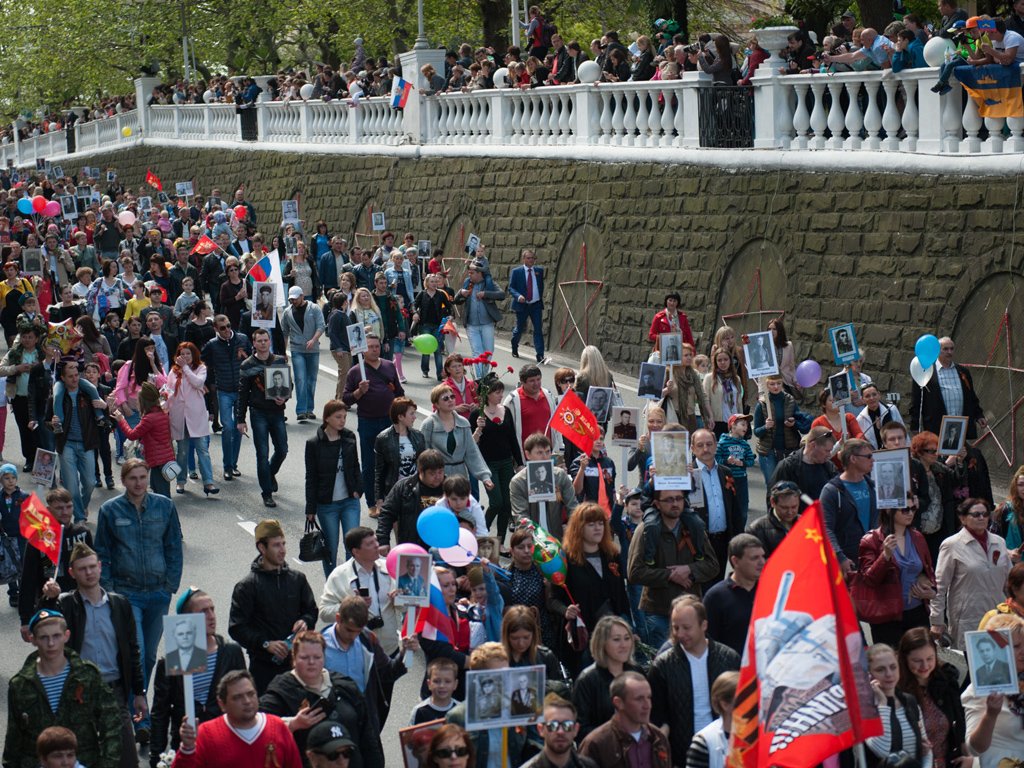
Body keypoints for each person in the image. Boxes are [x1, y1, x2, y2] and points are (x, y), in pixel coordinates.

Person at [94, 458, 184, 737]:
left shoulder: (164, 506)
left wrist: (170, 584)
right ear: (124, 480)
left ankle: (139, 702)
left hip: (158, 593)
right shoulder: (110, 510)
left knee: (149, 657)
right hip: (126, 595)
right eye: (133, 478)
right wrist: (111, 592)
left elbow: (174, 546)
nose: (139, 483)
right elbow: (103, 554)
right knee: (137, 653)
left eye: (143, 477)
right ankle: (141, 719)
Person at [51, 542, 144, 768]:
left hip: (114, 690)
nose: (89, 572)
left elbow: (132, 650)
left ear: (100, 567)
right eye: (82, 569)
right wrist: (47, 598)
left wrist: (139, 692)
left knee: (127, 758)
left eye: (92, 566)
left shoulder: (119, 604)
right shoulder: (65, 604)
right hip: (80, 692)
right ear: (72, 573)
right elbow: (46, 632)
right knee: (85, 756)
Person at [4, 609, 124, 768]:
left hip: (84, 761)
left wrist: (107, 763)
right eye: (44, 637)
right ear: (33, 640)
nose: (51, 643)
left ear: (66, 636)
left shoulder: (87, 675)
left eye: (56, 636)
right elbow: (14, 737)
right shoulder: (20, 685)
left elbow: (111, 722)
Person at [258, 630, 385, 768]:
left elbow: (368, 736)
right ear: (294, 659)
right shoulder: (281, 691)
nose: (311, 662)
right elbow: (259, 725)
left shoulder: (345, 686)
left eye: (317, 657)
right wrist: (292, 724)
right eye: (305, 657)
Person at [150, 588, 247, 766]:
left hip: (225, 742)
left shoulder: (231, 652)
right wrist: (156, 757)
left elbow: (245, 696)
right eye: (203, 611)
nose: (211, 616)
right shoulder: (171, 661)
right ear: (186, 618)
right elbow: (160, 712)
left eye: (212, 609)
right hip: (187, 747)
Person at [228, 518, 318, 694]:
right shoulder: (247, 586)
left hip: (296, 664)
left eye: (284, 544)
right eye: (276, 545)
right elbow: (237, 627)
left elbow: (311, 611)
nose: (283, 550)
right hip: (263, 668)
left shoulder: (297, 579)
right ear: (262, 548)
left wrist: (305, 622)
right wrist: (265, 644)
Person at [648, 595, 741, 763]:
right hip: (681, 754)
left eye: (686, 627)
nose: (680, 634)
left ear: (703, 625)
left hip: (723, 749)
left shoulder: (729, 659)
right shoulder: (663, 665)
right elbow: (658, 716)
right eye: (676, 628)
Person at [628, 488, 719, 649]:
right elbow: (635, 572)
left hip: (691, 609)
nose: (675, 504)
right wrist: (669, 575)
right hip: (659, 609)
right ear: (656, 504)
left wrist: (689, 569)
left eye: (679, 498)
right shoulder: (646, 530)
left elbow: (712, 566)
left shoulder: (694, 529)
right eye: (669, 500)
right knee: (664, 663)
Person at [171, 670, 303, 768]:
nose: (247, 701)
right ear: (222, 704)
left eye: (251, 694)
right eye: (238, 697)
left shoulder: (278, 727)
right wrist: (187, 748)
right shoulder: (206, 734)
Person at [320, 596, 414, 732]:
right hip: (332, 719)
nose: (353, 636)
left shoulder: (367, 639)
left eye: (358, 631)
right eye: (349, 630)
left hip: (364, 717)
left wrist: (405, 652)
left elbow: (388, 672)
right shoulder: (319, 645)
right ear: (338, 618)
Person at [930, 498, 1012, 650]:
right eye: (976, 514)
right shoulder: (951, 545)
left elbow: (1010, 582)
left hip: (998, 616)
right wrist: (937, 621)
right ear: (963, 518)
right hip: (968, 618)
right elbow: (939, 587)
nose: (981, 518)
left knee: (998, 665)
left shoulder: (999, 542)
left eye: (985, 514)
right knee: (973, 665)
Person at [18, 487, 92, 642]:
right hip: (49, 607)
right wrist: (25, 619)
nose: (65, 512)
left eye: (69, 506)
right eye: (59, 508)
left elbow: (93, 569)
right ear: (48, 509)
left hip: (81, 604)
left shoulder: (82, 533)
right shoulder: (38, 539)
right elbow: (28, 578)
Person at [857, 505, 936, 648]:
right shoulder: (871, 540)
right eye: (905, 509)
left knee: (922, 662)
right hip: (887, 617)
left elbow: (928, 570)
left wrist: (932, 590)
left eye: (914, 508)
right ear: (889, 509)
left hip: (917, 613)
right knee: (893, 664)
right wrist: (885, 555)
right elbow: (868, 580)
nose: (911, 513)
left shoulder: (917, 537)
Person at [343, 334, 403, 514]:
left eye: (377, 346)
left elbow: (399, 392)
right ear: (363, 349)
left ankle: (389, 500)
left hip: (389, 421)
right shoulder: (355, 371)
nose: (374, 349)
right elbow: (345, 400)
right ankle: (371, 503)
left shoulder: (389, 366)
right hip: (368, 422)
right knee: (369, 464)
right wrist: (359, 392)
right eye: (370, 347)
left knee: (392, 462)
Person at [319, 526, 402, 657]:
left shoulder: (389, 567)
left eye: (376, 540)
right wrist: (351, 606)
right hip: (356, 652)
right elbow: (324, 612)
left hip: (388, 649)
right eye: (370, 544)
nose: (377, 545)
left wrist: (400, 600)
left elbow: (409, 607)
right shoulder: (339, 575)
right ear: (356, 551)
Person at [897, 627, 967, 768]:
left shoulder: (947, 681)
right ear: (905, 660)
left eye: (930, 659)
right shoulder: (897, 691)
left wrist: (968, 757)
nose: (925, 666)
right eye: (917, 660)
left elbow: (960, 725)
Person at [961, 613, 1024, 766]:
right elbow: (974, 749)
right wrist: (990, 715)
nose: (1023, 651)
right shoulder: (980, 689)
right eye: (1016, 646)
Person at [572, 616, 644, 742]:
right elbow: (580, 727)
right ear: (602, 643)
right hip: (602, 752)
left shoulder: (637, 672)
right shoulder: (587, 680)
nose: (623, 645)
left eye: (627, 638)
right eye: (616, 639)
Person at [579, 671, 671, 768]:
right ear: (618, 703)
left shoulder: (658, 738)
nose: (647, 705)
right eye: (639, 699)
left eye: (649, 697)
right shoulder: (597, 744)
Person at [864, 644, 934, 768]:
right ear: (869, 674)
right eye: (880, 669)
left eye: (893, 667)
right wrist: (882, 704)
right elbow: (882, 751)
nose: (889, 674)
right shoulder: (866, 709)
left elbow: (925, 748)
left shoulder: (909, 701)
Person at [50, 361, 103, 522]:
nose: (75, 379)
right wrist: (51, 422)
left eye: (76, 375)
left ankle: (81, 506)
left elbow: (105, 417)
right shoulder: (57, 395)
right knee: (71, 488)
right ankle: (80, 517)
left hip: (86, 443)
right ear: (63, 378)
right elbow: (47, 419)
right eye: (70, 376)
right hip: (66, 444)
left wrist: (105, 406)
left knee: (90, 482)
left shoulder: (87, 393)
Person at [200, 315, 250, 481]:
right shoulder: (212, 345)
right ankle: (227, 466)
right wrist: (205, 383)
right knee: (228, 427)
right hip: (224, 390)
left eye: (228, 326)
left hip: (242, 391)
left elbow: (253, 359)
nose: (227, 330)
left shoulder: (242, 339)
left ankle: (233, 465)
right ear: (215, 329)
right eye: (223, 328)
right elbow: (201, 363)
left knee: (238, 428)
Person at [821, 438, 879, 577]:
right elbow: (825, 528)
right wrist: (839, 557)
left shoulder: (874, 486)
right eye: (868, 456)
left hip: (872, 557)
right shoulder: (832, 491)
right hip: (847, 562)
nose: (873, 460)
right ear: (853, 459)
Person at [910, 337, 987, 440]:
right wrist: (915, 424)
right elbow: (917, 400)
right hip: (936, 427)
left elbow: (971, 396)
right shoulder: (926, 372)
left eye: (952, 349)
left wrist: (979, 415)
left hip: (960, 425)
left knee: (961, 454)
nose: (949, 352)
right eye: (945, 349)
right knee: (940, 455)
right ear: (937, 350)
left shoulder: (963, 372)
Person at [421, 383, 493, 488]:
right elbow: (423, 454)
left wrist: (485, 477)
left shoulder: (463, 423)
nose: (450, 400)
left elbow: (472, 451)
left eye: (452, 397)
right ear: (436, 404)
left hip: (461, 477)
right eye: (445, 398)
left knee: (460, 503)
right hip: (437, 479)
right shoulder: (428, 424)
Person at [112, 381, 176, 499]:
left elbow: (132, 435)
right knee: (159, 490)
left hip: (157, 460)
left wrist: (121, 420)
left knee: (162, 495)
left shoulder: (149, 418)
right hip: (165, 458)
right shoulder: (162, 413)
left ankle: (166, 516)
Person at [703, 534, 765, 655]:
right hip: (732, 671)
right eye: (754, 558)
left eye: (763, 556)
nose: (762, 562)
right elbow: (708, 642)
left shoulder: (771, 591)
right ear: (735, 561)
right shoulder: (716, 597)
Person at [454, 257, 504, 378]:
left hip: (487, 324)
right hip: (472, 325)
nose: (469, 275)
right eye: (469, 272)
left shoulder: (489, 283)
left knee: (488, 351)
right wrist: (461, 293)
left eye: (472, 273)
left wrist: (485, 294)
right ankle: (480, 379)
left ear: (479, 273)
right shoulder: (468, 283)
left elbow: (501, 295)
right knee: (477, 352)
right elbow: (456, 300)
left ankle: (483, 375)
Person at [281, 285, 325, 422]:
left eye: (295, 299)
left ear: (302, 296)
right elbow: (284, 332)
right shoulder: (287, 312)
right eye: (291, 299)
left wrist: (314, 339)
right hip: (297, 349)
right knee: (300, 379)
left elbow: (321, 326)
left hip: (313, 349)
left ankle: (309, 409)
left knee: (311, 380)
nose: (293, 301)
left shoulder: (314, 308)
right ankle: (301, 410)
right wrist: (283, 352)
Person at [752, 375, 806, 484]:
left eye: (778, 383)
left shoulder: (790, 400)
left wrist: (794, 423)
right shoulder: (762, 404)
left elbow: (801, 422)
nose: (776, 387)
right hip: (768, 451)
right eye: (772, 384)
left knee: (789, 485)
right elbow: (757, 431)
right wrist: (765, 427)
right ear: (767, 385)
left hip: (789, 449)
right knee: (772, 485)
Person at [518, 695, 596, 768]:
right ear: (541, 729)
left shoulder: (589, 766)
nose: (560, 731)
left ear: (576, 729)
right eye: (553, 725)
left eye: (567, 725)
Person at [507, 248, 546, 362]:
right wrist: (518, 296)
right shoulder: (516, 272)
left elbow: (540, 286)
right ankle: (514, 346)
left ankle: (540, 355)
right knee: (519, 329)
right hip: (522, 304)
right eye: (528, 258)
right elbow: (511, 288)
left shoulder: (539, 271)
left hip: (536, 305)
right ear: (523, 259)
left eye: (533, 258)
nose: (531, 260)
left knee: (538, 329)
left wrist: (537, 297)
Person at [856, 383, 905, 448]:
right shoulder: (860, 419)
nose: (871, 398)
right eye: (867, 396)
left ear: (879, 395)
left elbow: (903, 431)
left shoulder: (892, 409)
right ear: (862, 399)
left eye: (874, 394)